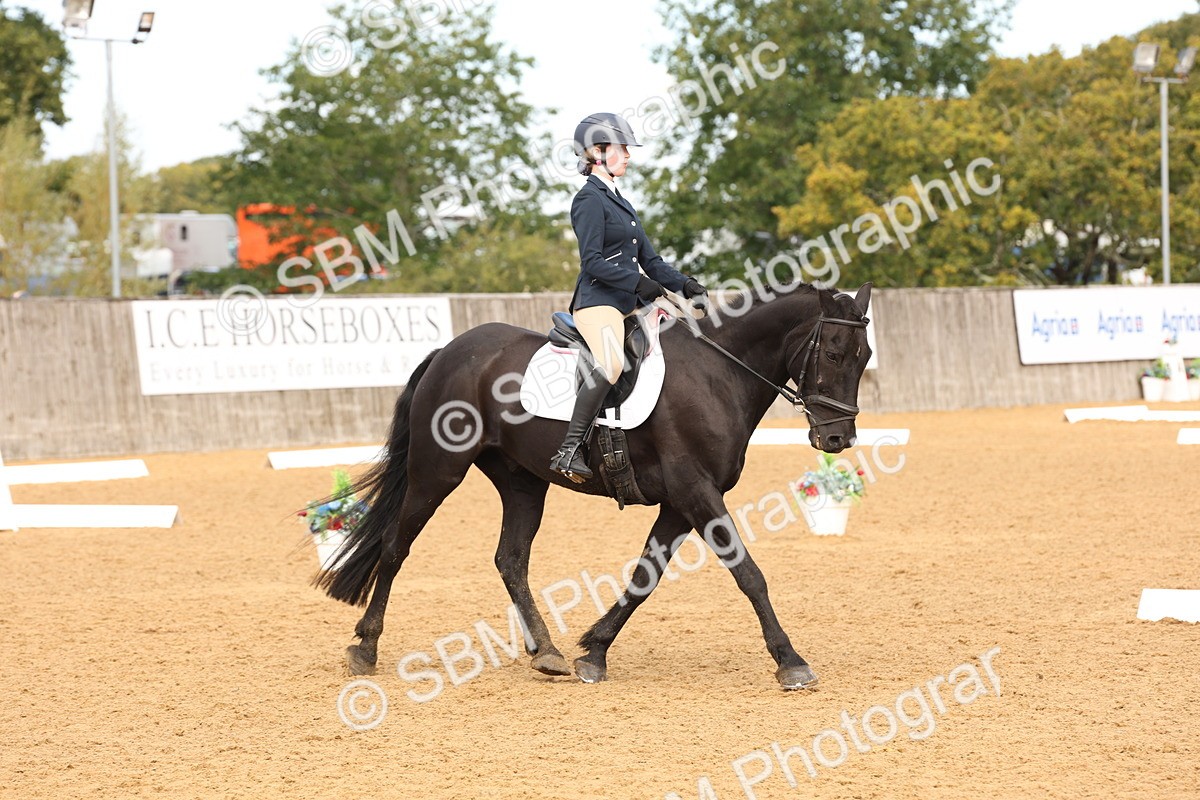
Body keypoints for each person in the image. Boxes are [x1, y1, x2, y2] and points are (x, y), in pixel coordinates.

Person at [549, 112, 709, 482]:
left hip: (628, 302)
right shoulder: (588, 200)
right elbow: (592, 262)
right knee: (612, 363)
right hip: (598, 303)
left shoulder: (621, 201)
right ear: (598, 152)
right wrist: (636, 284)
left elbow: (650, 261)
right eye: (623, 149)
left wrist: (685, 285)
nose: (629, 156)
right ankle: (568, 449)